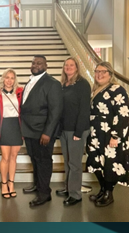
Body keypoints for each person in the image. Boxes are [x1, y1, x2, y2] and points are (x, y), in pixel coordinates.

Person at [85, 60, 129, 207]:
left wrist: (115, 136)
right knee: (95, 162)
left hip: (111, 134)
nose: (99, 74)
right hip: (96, 134)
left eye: (102, 72)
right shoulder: (95, 89)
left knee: (110, 164)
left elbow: (123, 114)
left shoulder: (118, 89)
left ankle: (109, 194)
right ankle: (103, 189)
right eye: (97, 71)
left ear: (110, 74)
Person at [19, 54, 62, 207]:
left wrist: (48, 132)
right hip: (29, 130)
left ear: (46, 66)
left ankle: (44, 194)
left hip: (42, 132)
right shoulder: (31, 81)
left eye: (39, 63)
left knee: (43, 162)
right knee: (35, 159)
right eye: (34, 62)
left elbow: (55, 111)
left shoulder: (52, 83)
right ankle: (38, 186)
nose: (36, 65)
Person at [56, 57, 91, 206]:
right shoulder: (63, 85)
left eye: (72, 65)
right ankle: (68, 188)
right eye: (66, 65)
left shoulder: (82, 84)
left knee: (75, 163)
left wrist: (78, 132)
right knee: (67, 162)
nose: (69, 67)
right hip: (64, 130)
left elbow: (84, 109)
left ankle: (75, 194)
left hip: (77, 130)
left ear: (77, 67)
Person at [0, 69, 22, 199]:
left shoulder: (20, 92)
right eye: (7, 77)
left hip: (16, 126)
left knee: (14, 156)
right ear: (3, 79)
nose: (9, 80)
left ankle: (11, 183)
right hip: (4, 126)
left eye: (12, 78)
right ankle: (3, 184)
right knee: (5, 157)